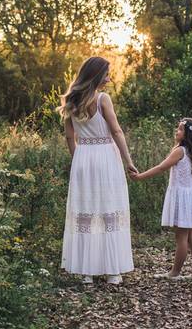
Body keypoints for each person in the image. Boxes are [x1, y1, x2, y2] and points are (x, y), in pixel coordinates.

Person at [59, 56, 139, 285]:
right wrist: (128, 161)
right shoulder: (103, 99)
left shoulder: (70, 100)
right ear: (96, 75)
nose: (109, 78)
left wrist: (79, 160)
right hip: (105, 156)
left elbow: (69, 137)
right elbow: (117, 132)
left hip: (83, 158)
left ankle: (87, 272)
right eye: (106, 74)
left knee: (87, 210)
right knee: (108, 209)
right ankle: (112, 270)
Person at [131, 117, 192, 281]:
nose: (176, 131)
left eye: (180, 129)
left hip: (183, 198)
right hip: (191, 195)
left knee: (181, 237)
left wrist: (140, 177)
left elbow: (161, 167)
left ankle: (175, 272)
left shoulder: (180, 151)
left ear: (187, 135)